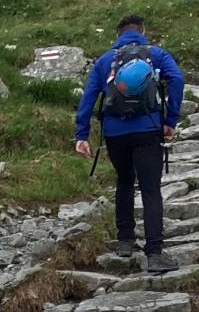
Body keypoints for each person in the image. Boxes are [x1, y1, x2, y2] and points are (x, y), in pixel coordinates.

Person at [74, 15, 185, 274]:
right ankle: (155, 254)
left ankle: (125, 242)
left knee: (124, 181)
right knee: (150, 189)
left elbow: (88, 98)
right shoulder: (156, 54)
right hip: (147, 130)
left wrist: (81, 134)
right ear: (143, 31)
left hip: (115, 133)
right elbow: (177, 79)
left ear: (118, 34)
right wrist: (170, 120)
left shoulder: (104, 61)